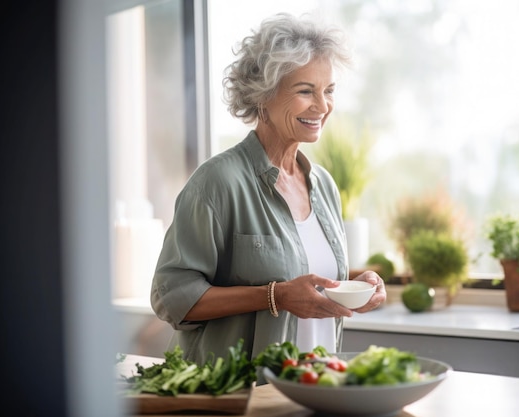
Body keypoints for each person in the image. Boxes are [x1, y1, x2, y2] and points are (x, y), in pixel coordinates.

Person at [150, 12, 386, 367]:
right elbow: (171, 297)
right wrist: (274, 297)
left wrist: (359, 282)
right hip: (242, 394)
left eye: (329, 90)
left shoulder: (323, 185)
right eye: (305, 91)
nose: (322, 106)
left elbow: (302, 270)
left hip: (314, 385)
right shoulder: (217, 183)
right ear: (263, 96)